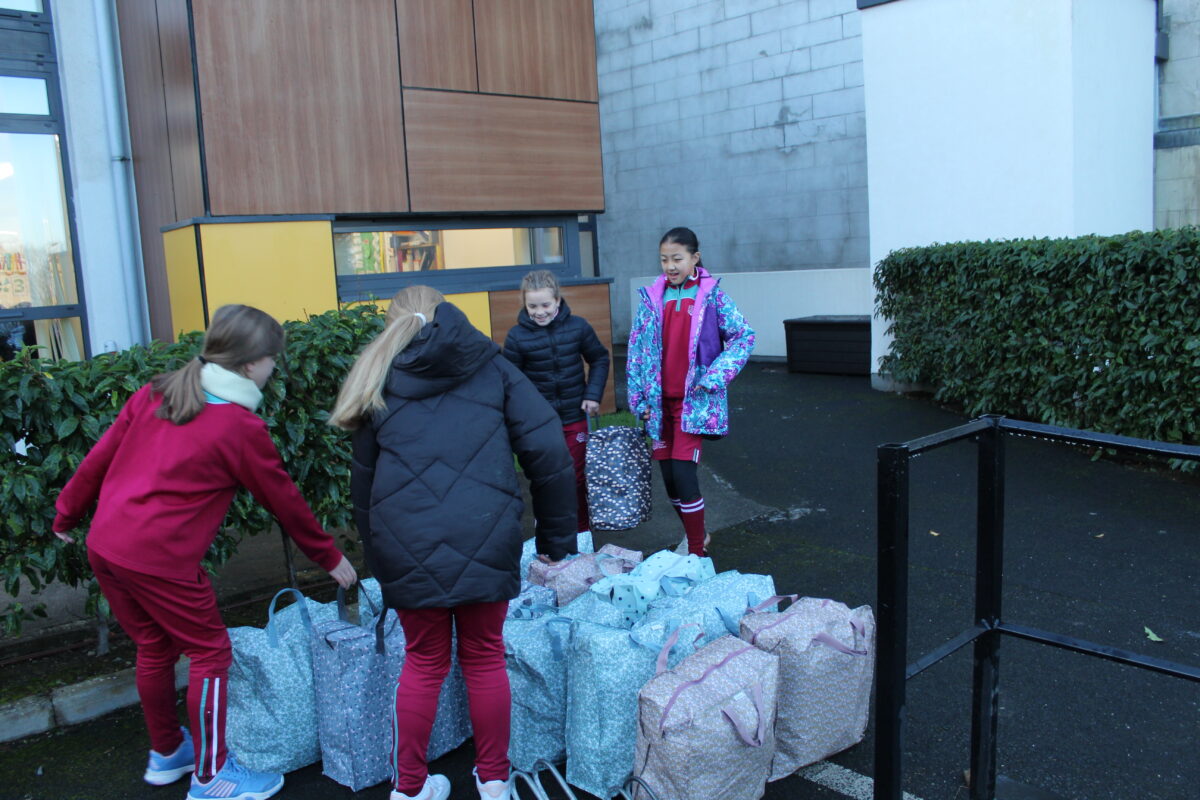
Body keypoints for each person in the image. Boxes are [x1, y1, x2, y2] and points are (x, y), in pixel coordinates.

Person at [51, 304, 357, 800]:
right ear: (250, 364)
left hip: (107, 545)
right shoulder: (239, 427)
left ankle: (169, 753)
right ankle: (212, 774)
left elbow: (99, 457)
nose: (275, 368)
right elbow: (284, 499)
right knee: (211, 654)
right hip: (160, 560)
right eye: (272, 359)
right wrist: (328, 556)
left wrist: (66, 512)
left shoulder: (159, 391)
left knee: (154, 647)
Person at [329, 286, 577, 800]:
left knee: (423, 662)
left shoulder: (379, 376)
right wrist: (556, 538)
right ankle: (492, 782)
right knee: (485, 657)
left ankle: (411, 788)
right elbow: (549, 448)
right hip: (486, 533)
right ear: (448, 314)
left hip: (406, 545)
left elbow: (363, 487)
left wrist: (380, 562)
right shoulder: (493, 365)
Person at [626, 227, 756, 558]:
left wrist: (716, 376)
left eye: (677, 259)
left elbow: (743, 336)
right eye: (664, 259)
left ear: (695, 258)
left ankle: (696, 553)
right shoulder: (651, 299)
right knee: (670, 481)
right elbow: (637, 351)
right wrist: (639, 399)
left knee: (684, 476)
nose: (669, 266)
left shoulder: (713, 296)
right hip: (658, 406)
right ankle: (697, 534)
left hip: (692, 404)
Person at [502, 270, 610, 537]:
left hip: (575, 416)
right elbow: (510, 381)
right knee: (547, 479)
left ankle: (582, 534)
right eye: (533, 306)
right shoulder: (516, 337)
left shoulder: (579, 327)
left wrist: (593, 395)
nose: (540, 312)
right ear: (525, 305)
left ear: (558, 302)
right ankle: (548, 534)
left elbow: (599, 358)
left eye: (545, 305)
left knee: (576, 478)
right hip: (540, 423)